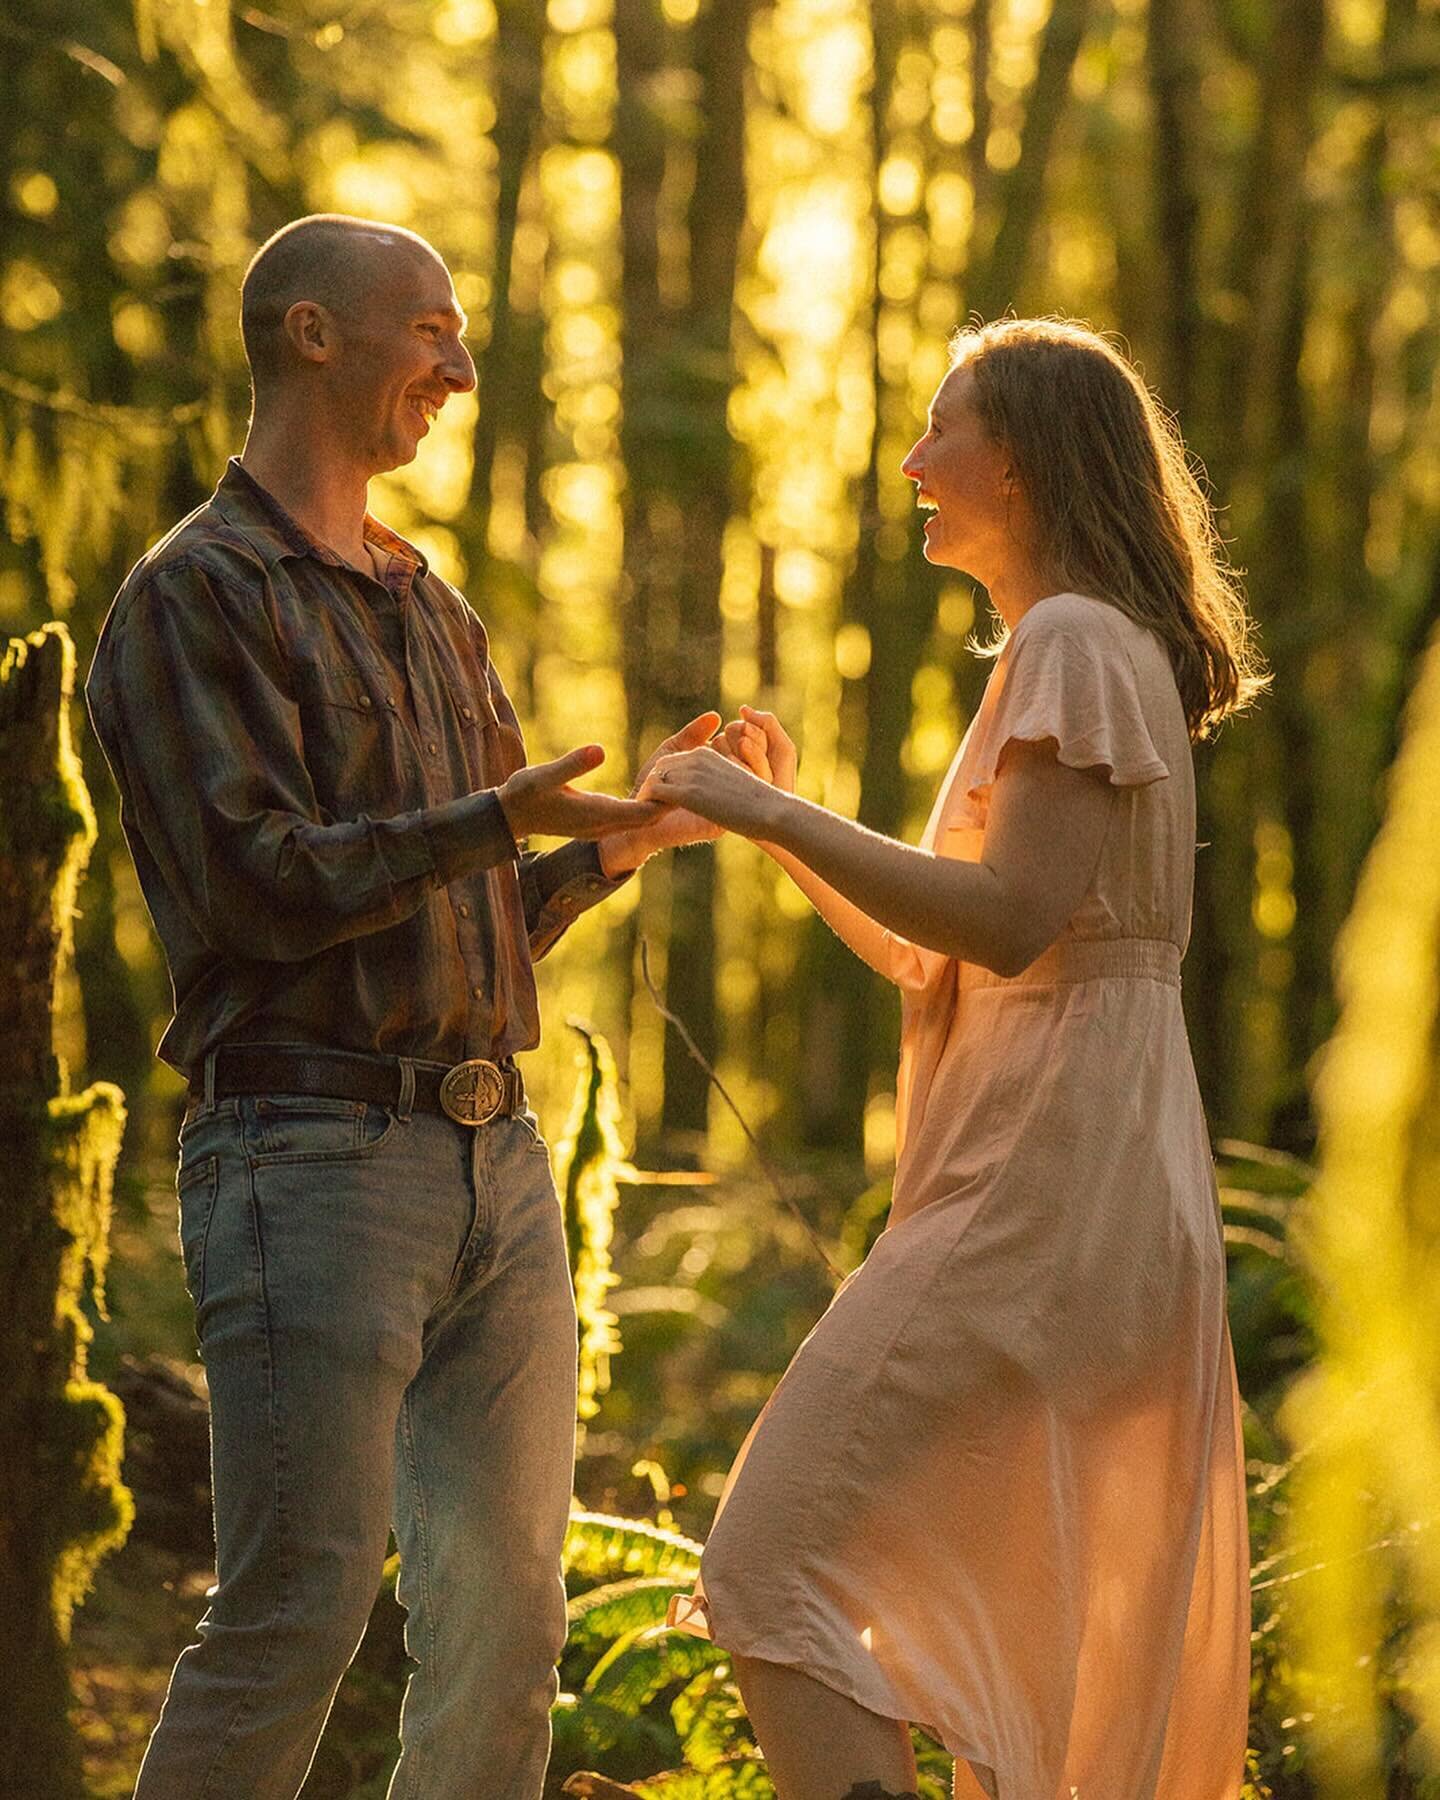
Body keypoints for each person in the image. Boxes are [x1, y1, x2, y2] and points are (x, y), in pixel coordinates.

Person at [85, 213, 725, 1799]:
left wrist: (614, 848)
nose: (459, 365)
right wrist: (497, 817)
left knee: (508, 1632)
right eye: (432, 329)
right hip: (302, 1158)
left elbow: (475, 914)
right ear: (314, 333)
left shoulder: (434, 609)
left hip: (496, 1170)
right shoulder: (194, 596)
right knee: (295, 1613)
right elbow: (259, 891)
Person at [644, 317, 1265, 1800]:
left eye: (944, 430)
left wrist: (775, 816)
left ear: (1035, 458)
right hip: (1073, 1165)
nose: (915, 462)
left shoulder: (1072, 640)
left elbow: (1007, 921)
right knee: (856, 1580)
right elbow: (940, 956)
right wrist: (773, 827)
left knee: (769, 1564)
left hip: (1041, 1183)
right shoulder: (1077, 646)